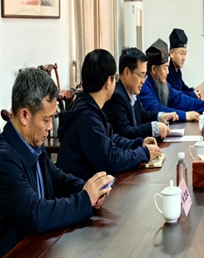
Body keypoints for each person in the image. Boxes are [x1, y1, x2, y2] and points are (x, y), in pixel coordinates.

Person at [0, 68, 114, 258]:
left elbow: (56, 177)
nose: (51, 127)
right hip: (12, 254)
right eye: (46, 119)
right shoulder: (4, 159)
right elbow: (35, 214)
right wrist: (84, 199)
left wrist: (89, 189)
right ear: (25, 115)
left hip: (39, 247)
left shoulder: (32, 142)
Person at [57, 49, 162, 181]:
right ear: (108, 82)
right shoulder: (86, 117)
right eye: (115, 78)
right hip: (80, 191)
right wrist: (145, 153)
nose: (116, 83)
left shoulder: (90, 107)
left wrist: (139, 144)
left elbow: (112, 138)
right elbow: (111, 159)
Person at [103, 47, 176, 140]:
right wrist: (153, 128)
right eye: (141, 75)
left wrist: (160, 116)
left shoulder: (132, 91)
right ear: (127, 72)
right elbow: (125, 132)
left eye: (145, 76)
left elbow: (142, 116)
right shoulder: (116, 96)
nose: (143, 81)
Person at [140, 38, 204, 122]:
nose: (168, 72)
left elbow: (178, 98)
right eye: (165, 68)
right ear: (153, 69)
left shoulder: (161, 82)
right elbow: (155, 108)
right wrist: (184, 115)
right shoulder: (143, 85)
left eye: (168, 67)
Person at [167, 28, 201, 99]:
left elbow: (183, 87)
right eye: (181, 53)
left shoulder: (177, 70)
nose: (184, 58)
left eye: (185, 54)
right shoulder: (167, 72)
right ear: (171, 53)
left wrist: (193, 91)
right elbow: (175, 94)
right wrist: (192, 94)